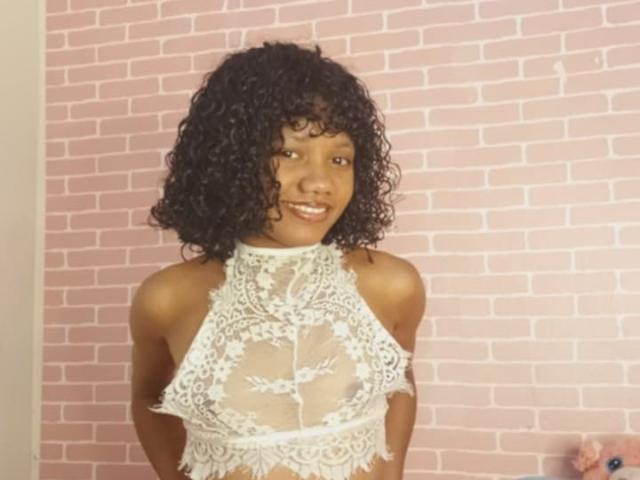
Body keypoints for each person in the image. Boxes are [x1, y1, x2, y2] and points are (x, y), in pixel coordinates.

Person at [129, 41, 426, 480]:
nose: (320, 181)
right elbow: (148, 397)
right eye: (289, 153)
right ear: (232, 158)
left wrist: (392, 474)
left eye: (340, 159)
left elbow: (400, 385)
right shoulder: (166, 298)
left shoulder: (393, 285)